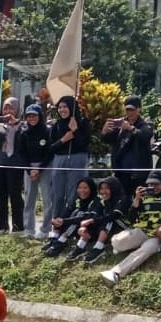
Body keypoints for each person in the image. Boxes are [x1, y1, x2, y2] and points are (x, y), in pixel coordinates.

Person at [97, 173, 161, 284]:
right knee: (117, 242)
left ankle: (116, 273)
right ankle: (131, 245)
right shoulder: (142, 198)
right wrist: (136, 200)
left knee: (147, 250)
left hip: (159, 236)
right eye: (150, 184)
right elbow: (132, 219)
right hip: (142, 231)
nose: (153, 187)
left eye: (156, 184)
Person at [47, 95, 91, 226]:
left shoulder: (83, 122)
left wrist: (76, 130)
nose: (62, 110)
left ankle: (70, 223)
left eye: (65, 107)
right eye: (59, 107)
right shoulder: (57, 126)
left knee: (73, 194)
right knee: (57, 194)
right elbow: (51, 148)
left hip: (78, 159)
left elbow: (84, 144)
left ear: (72, 107)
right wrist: (63, 140)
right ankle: (56, 223)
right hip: (59, 160)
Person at [0, 97, 25, 234]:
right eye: (5, 108)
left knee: (15, 195)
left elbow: (24, 141)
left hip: (15, 165)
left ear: (17, 109)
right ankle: (2, 226)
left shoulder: (23, 125)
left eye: (11, 108)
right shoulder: (0, 126)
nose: (8, 111)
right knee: (0, 195)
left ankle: (18, 226)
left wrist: (16, 125)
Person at [102, 95, 153, 194]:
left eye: (132, 110)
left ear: (139, 109)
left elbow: (145, 136)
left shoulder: (146, 124)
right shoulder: (120, 123)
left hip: (138, 173)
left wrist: (131, 128)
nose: (130, 113)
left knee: (138, 197)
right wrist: (104, 131)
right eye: (127, 110)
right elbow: (107, 139)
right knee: (122, 197)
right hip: (121, 171)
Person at [19, 104, 54, 238]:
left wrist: (39, 168)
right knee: (29, 198)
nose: (32, 118)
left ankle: (45, 229)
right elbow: (22, 153)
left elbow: (50, 152)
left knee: (47, 199)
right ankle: (28, 229)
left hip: (45, 166)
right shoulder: (24, 133)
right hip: (29, 168)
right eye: (29, 116)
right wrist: (30, 170)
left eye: (34, 115)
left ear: (40, 116)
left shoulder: (47, 131)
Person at [42, 176, 99, 256]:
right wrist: (59, 219)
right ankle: (53, 239)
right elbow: (69, 209)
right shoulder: (78, 199)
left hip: (89, 229)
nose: (82, 190)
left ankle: (61, 242)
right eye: (79, 188)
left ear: (91, 188)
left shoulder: (95, 201)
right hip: (76, 226)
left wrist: (64, 221)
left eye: (85, 188)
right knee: (61, 215)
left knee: (77, 214)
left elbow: (85, 217)